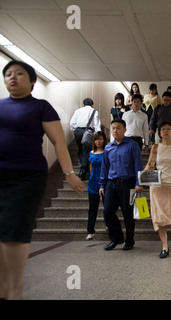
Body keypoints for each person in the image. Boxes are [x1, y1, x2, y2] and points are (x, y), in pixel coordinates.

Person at [0, 60, 84, 300]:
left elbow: (59, 142)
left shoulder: (40, 107)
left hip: (27, 177)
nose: (12, 77)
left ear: (33, 81)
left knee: (15, 229)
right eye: (8, 74)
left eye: (19, 73)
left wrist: (69, 174)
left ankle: (14, 288)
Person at [144, 122, 171, 258]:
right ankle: (164, 246)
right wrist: (147, 169)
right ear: (159, 132)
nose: (165, 131)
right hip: (157, 186)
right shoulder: (155, 147)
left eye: (168, 129)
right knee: (159, 215)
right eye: (163, 129)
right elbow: (150, 164)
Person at [99, 119, 143, 251]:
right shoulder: (108, 148)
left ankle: (130, 240)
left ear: (125, 130)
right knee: (108, 212)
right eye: (113, 128)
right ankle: (116, 238)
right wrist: (102, 185)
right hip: (111, 184)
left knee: (128, 214)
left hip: (128, 184)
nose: (115, 130)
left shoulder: (132, 145)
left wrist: (138, 183)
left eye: (118, 128)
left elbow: (138, 166)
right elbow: (104, 168)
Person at [70, 97, 101, 180]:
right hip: (87, 133)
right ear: (92, 104)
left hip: (78, 132)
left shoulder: (78, 111)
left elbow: (72, 123)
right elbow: (96, 124)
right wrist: (97, 134)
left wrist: (76, 130)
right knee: (86, 151)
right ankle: (83, 171)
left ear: (83, 104)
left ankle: (84, 167)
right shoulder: (94, 111)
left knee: (80, 150)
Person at [86, 131, 107, 241]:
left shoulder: (107, 152)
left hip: (105, 182)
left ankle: (108, 225)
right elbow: (90, 167)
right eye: (96, 139)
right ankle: (90, 231)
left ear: (104, 140)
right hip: (93, 183)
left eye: (100, 139)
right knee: (92, 208)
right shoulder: (91, 152)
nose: (98, 141)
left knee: (107, 207)